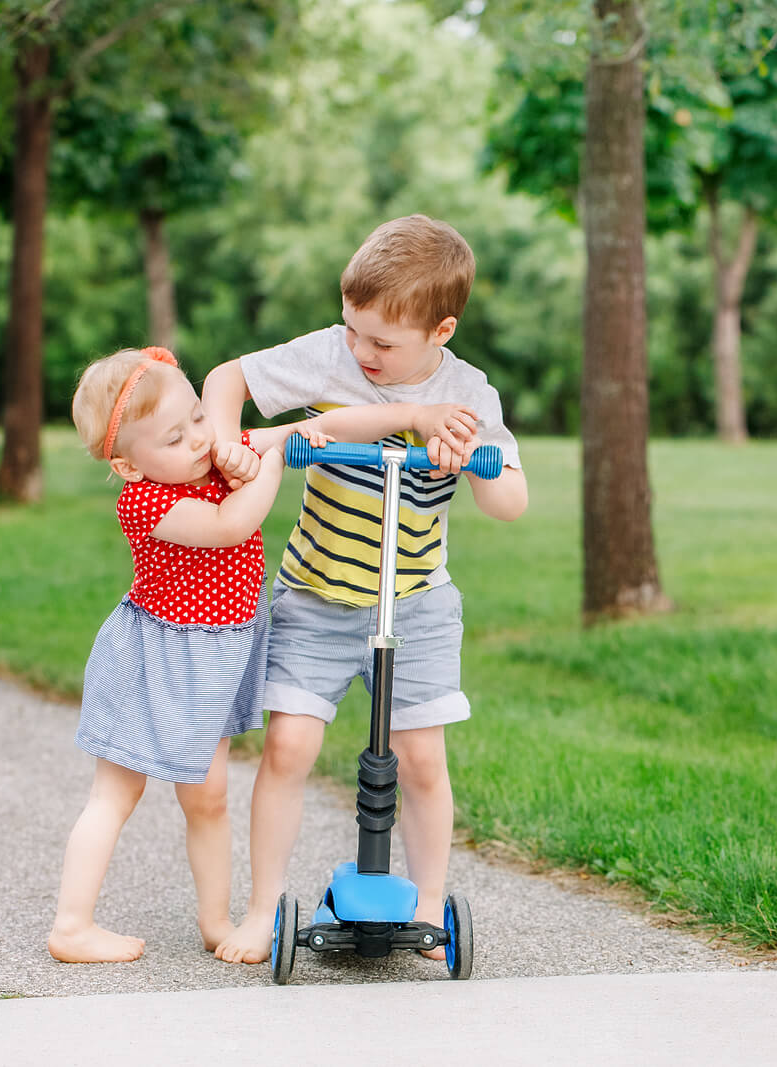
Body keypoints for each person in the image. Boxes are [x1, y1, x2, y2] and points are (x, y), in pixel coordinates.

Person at [52, 344, 481, 964]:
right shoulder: (147, 503)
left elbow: (324, 427)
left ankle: (215, 923)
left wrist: (412, 412)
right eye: (175, 438)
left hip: (212, 660)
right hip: (159, 655)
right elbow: (231, 524)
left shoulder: (211, 457)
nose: (200, 439)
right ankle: (72, 924)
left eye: (199, 417)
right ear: (127, 465)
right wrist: (273, 460)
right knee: (116, 793)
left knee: (208, 797)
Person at [201, 214, 529, 965]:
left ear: (441, 330)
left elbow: (511, 498)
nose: (362, 351)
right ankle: (261, 910)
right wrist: (226, 436)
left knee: (419, 759)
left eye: (383, 343)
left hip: (415, 602)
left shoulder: (467, 391)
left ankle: (424, 904)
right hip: (315, 594)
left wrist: (470, 459)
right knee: (288, 745)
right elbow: (230, 379)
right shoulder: (328, 357)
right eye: (354, 330)